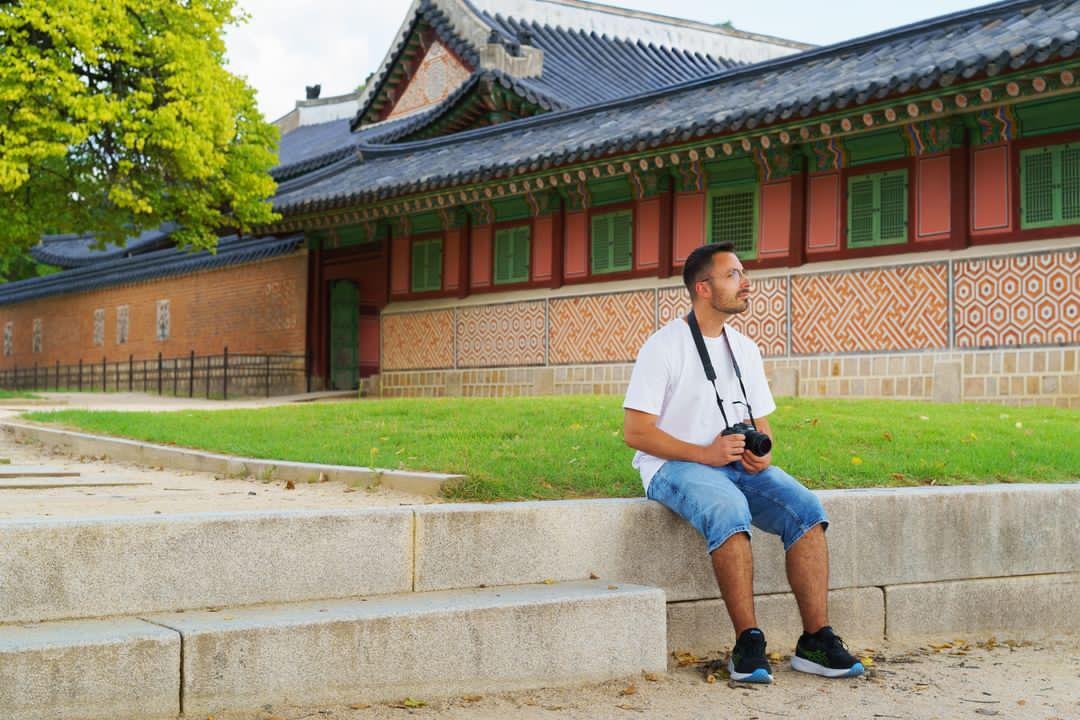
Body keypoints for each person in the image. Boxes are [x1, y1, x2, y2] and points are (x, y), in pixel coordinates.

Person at [622, 242, 864, 684]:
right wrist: (704, 454)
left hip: (734, 464)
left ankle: (815, 640)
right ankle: (748, 643)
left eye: (742, 273)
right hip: (673, 466)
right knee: (730, 511)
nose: (746, 282)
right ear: (703, 288)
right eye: (733, 274)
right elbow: (635, 433)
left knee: (806, 509)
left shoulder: (745, 349)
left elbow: (762, 423)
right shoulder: (663, 346)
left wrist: (763, 449)